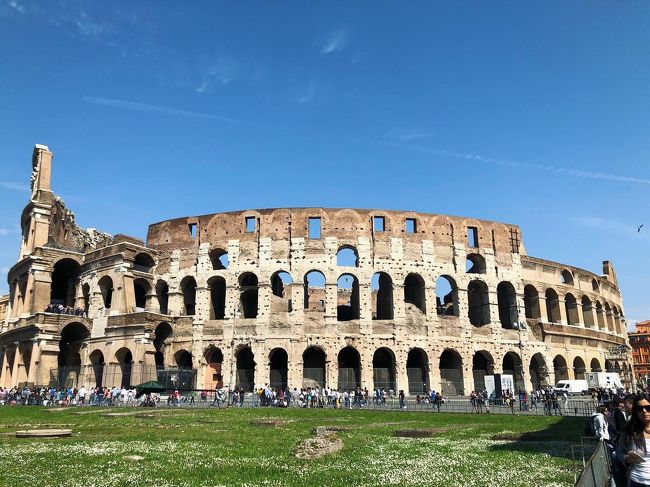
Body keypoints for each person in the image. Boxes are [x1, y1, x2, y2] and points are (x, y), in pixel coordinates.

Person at [617, 394, 650, 487]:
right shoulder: (629, 429)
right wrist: (627, 459)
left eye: (648, 408)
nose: (644, 411)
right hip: (637, 480)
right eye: (640, 408)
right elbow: (620, 453)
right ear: (635, 411)